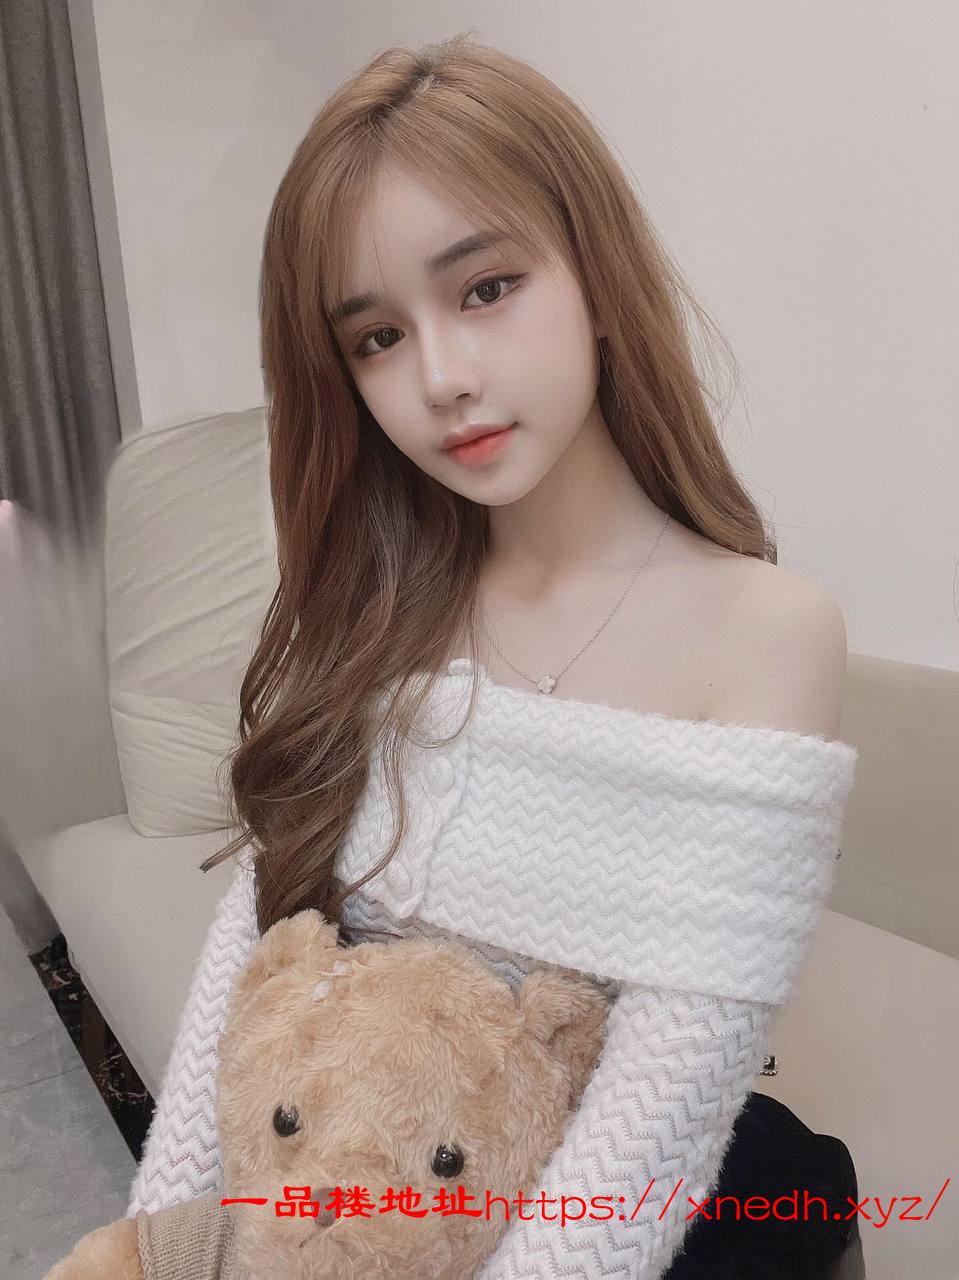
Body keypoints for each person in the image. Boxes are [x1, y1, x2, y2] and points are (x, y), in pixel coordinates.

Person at [126, 34, 864, 1278]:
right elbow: (246, 984)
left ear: (596, 268)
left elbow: (660, 1108)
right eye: (375, 337)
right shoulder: (374, 608)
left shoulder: (765, 631)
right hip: (370, 1191)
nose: (441, 378)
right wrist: (160, 1248)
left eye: (485, 289)